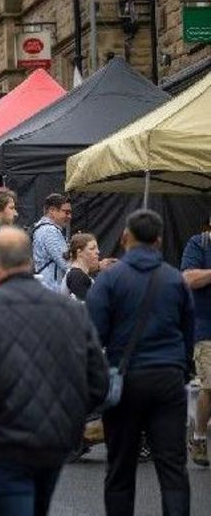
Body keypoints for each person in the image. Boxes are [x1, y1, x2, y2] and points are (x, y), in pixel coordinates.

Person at [0, 227, 108, 516]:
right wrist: (69, 416)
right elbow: (98, 380)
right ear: (29, 262)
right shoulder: (70, 309)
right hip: (53, 439)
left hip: (0, 442)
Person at [87, 210, 194, 515]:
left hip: (125, 379)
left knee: (120, 468)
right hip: (168, 378)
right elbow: (188, 333)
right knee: (172, 469)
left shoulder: (109, 279)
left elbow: (93, 336)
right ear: (158, 240)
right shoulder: (175, 279)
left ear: (124, 237)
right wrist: (181, 370)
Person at [182, 217, 211, 468]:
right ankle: (199, 436)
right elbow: (189, 278)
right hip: (206, 329)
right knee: (210, 386)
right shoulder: (199, 244)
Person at [32, 194, 72, 291]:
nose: (69, 216)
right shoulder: (50, 231)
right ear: (52, 211)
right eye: (66, 212)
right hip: (51, 290)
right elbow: (66, 263)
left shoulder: (41, 228)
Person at [64, 233, 100, 301]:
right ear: (79, 252)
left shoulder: (78, 274)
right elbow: (85, 306)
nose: (97, 252)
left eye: (97, 248)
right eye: (92, 249)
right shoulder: (76, 276)